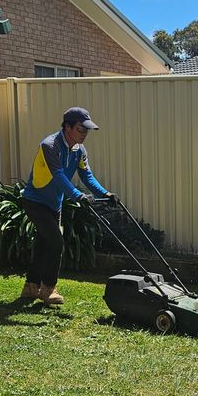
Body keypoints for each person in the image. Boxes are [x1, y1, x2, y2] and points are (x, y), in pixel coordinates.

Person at [20, 107, 118, 305]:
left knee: (43, 244)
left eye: (87, 130)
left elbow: (87, 176)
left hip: (54, 204)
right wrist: (77, 195)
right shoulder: (50, 145)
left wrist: (105, 194)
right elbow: (58, 176)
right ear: (67, 127)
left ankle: (30, 287)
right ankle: (48, 288)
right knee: (56, 242)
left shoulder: (79, 150)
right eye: (81, 129)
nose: (85, 134)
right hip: (35, 202)